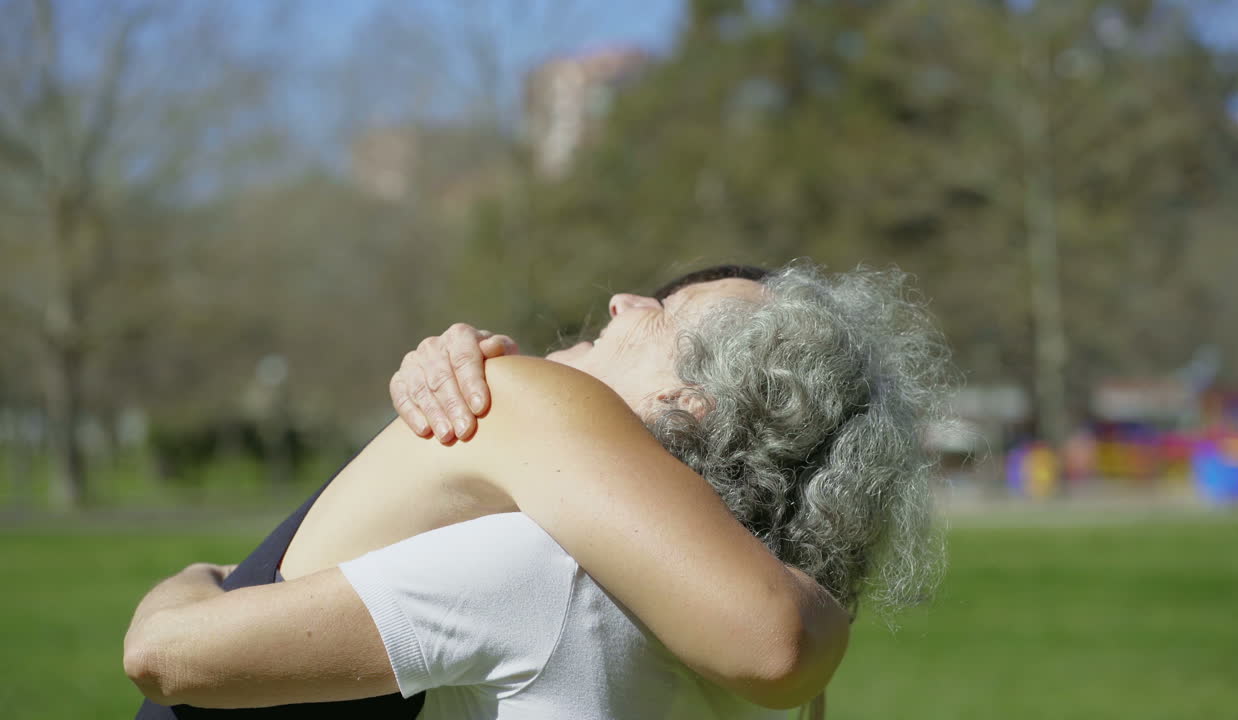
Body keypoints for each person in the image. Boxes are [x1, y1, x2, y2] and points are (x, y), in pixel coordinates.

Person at [125, 263, 948, 719]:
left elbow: (777, 644)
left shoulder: (540, 433)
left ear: (691, 402)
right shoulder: (646, 573)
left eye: (668, 308)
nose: (624, 300)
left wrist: (193, 584)